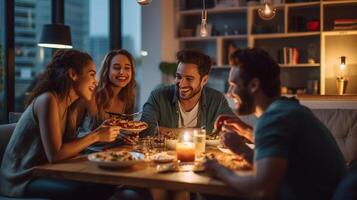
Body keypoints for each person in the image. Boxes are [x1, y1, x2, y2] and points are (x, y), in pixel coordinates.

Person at [204, 48, 347, 199]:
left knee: (209, 193)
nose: (230, 92)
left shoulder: (274, 119)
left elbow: (262, 190)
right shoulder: (287, 109)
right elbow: (273, 170)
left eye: (234, 84)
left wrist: (219, 170)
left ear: (253, 85)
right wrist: (244, 137)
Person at [0, 49, 120, 199]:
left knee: (106, 184)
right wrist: (96, 136)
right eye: (91, 74)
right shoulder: (48, 100)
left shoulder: (71, 106)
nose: (95, 81)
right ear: (73, 74)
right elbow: (55, 155)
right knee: (82, 191)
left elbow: (70, 148)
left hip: (45, 171)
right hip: (22, 178)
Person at [140, 49, 234, 137]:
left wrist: (164, 131)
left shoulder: (217, 100)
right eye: (178, 77)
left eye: (189, 79)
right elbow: (144, 130)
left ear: (204, 80)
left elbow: (236, 131)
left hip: (204, 154)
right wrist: (193, 132)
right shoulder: (158, 96)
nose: (181, 84)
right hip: (162, 154)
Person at [86, 49, 137, 130]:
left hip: (120, 143)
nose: (122, 72)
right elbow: (88, 130)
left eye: (127, 68)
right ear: (107, 70)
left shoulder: (129, 97)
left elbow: (128, 129)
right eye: (116, 67)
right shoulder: (93, 93)